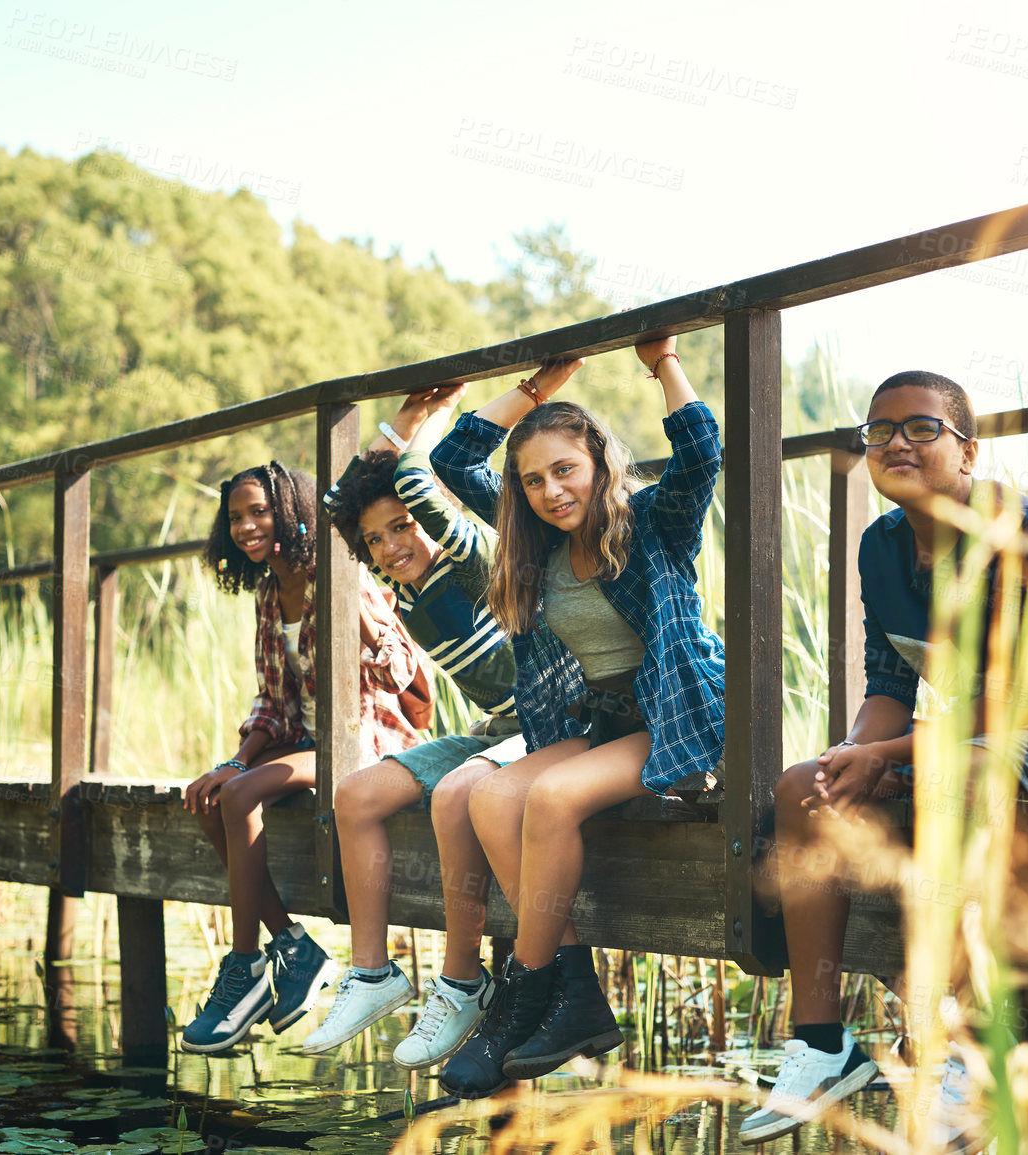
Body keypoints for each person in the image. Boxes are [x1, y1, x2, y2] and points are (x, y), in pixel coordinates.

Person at [740, 370, 1028, 1146]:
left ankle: (967, 1048)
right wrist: (852, 753)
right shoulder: (881, 547)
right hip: (968, 739)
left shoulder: (1015, 526)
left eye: (920, 428)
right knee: (805, 784)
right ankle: (819, 1043)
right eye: (879, 430)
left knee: (957, 770)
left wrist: (893, 756)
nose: (895, 441)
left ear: (967, 452)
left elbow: (1015, 695)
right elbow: (889, 683)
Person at [428, 336, 726, 1099]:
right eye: (532, 480)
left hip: (677, 718)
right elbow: (455, 458)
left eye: (564, 468)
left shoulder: (653, 521)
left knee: (550, 797)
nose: (550, 490)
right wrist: (534, 390)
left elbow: (700, 449)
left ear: (597, 461)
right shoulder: (539, 552)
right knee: (494, 794)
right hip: (599, 728)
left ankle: (521, 995)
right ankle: (572, 994)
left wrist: (661, 360)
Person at [299, 385, 528, 1067]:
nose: (393, 545)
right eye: (377, 539)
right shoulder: (400, 585)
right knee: (356, 795)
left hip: (549, 727)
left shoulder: (471, 558)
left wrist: (417, 427)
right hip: (497, 731)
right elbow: (341, 506)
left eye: (402, 526)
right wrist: (402, 419)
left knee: (458, 791)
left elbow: (415, 490)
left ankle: (463, 981)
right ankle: (373, 972)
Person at [178, 460, 422, 1054]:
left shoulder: (337, 575)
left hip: (365, 742)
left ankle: (244, 967)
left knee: (239, 794)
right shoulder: (268, 591)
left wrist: (369, 626)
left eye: (258, 511)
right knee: (213, 796)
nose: (245, 526)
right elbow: (271, 699)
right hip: (308, 743)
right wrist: (237, 761)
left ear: (288, 510)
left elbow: (400, 672)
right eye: (235, 517)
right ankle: (292, 945)